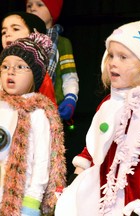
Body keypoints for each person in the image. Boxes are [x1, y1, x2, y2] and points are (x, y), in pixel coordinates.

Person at [55, 20, 140, 216]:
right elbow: (94, 143)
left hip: (134, 197)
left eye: (123, 57)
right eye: (111, 55)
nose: (113, 62)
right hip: (100, 193)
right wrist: (77, 175)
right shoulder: (107, 103)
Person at [0, 33, 66, 215]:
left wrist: (32, 201)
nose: (10, 71)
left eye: (20, 67)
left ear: (35, 76)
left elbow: (42, 161)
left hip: (20, 201)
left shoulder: (36, 112)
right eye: (5, 66)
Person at [26, 0, 79, 121]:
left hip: (51, 110)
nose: (32, 9)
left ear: (52, 13)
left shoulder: (62, 43)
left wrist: (70, 98)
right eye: (29, 6)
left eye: (39, 5)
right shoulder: (22, 41)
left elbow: (69, 76)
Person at [1, 11, 57, 106]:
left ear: (34, 34)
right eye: (3, 32)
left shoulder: (41, 76)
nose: (7, 34)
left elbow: (50, 110)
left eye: (15, 29)